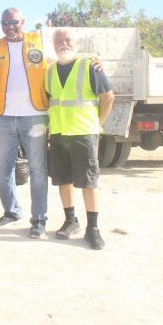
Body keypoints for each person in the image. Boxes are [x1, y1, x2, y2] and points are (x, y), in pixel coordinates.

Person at [0, 8, 54, 238]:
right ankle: (11, 211)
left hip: (36, 115)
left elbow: (62, 62)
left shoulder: (40, 41)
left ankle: (39, 220)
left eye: (13, 22)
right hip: (4, 117)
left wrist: (91, 59)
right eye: (4, 23)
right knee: (3, 168)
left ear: (23, 22)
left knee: (38, 169)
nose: (9, 27)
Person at [45, 29, 114, 250]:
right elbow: (50, 101)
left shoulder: (90, 66)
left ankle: (92, 228)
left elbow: (108, 96)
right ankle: (70, 221)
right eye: (59, 41)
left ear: (76, 44)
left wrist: (97, 124)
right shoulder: (50, 71)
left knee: (88, 182)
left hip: (84, 133)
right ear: (53, 45)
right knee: (63, 180)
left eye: (67, 40)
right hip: (58, 134)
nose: (63, 44)